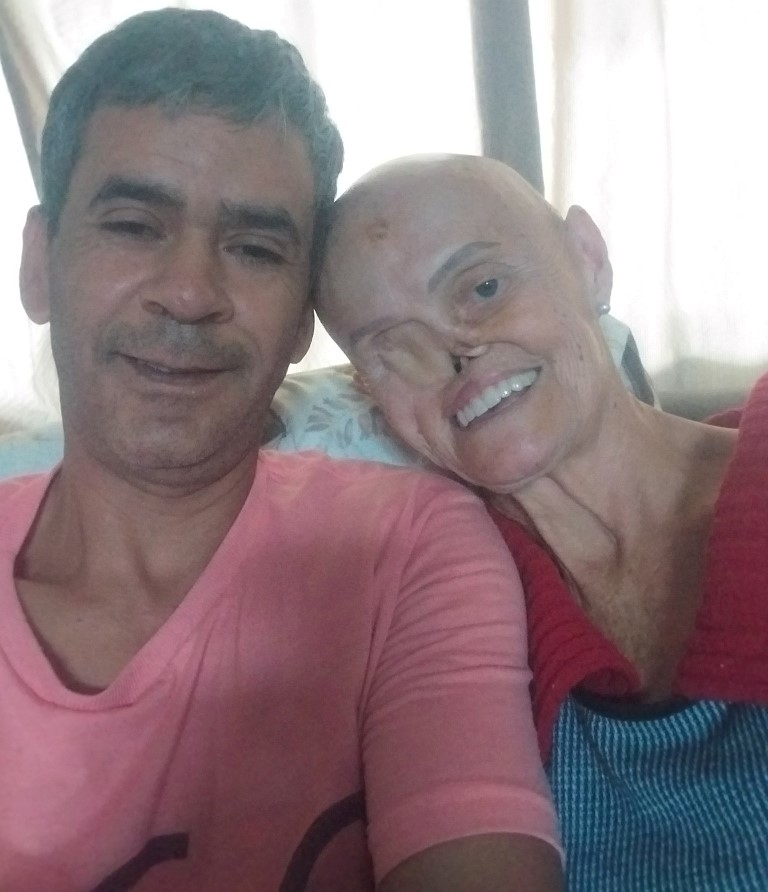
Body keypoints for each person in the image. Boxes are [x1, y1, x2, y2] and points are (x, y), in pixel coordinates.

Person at [1, 14, 564, 892]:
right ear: (39, 265)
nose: (191, 293)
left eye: (256, 249)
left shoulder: (404, 548)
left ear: (303, 321)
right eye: (134, 226)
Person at [316, 153, 768, 891]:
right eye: (394, 347)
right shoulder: (433, 619)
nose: (455, 351)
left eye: (483, 288)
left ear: (588, 260)